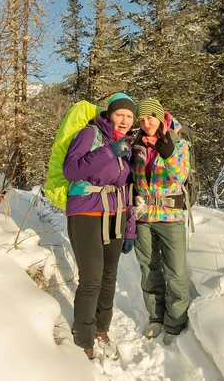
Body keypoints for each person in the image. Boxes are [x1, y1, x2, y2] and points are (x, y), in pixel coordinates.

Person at [62, 93, 137, 360]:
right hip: (85, 211)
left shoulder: (126, 144)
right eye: (120, 115)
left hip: (115, 213)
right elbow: (70, 170)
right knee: (92, 277)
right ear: (110, 114)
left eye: (129, 117)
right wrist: (107, 152)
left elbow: (126, 188)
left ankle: (102, 327)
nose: (125, 120)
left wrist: (130, 228)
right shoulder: (89, 134)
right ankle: (83, 335)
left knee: (109, 275)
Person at [130, 99, 191, 345]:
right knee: (149, 269)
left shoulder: (178, 141)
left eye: (150, 118)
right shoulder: (136, 145)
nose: (146, 124)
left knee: (175, 271)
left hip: (170, 216)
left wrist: (168, 154)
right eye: (142, 120)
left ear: (159, 117)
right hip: (143, 216)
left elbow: (180, 175)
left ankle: (175, 322)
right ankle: (156, 317)